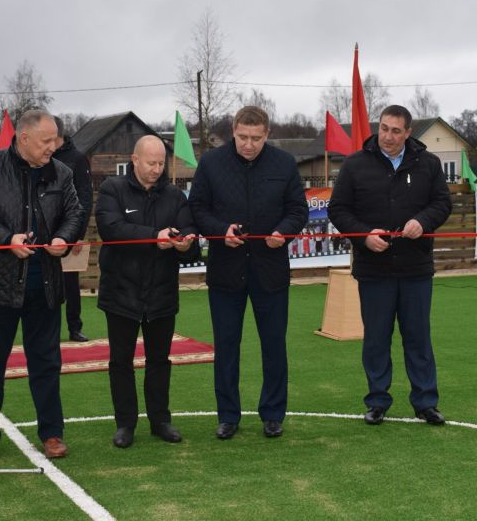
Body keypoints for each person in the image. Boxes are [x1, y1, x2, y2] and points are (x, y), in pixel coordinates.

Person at [0, 109, 85, 463]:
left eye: (55, 139)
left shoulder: (61, 172)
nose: (53, 146)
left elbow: (75, 213)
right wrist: (5, 239)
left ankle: (52, 433)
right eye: (46, 141)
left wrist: (64, 237)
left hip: (45, 285)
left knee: (46, 363)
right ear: (24, 138)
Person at [189, 106, 309, 440]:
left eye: (256, 138)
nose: (249, 144)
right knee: (226, 346)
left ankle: (273, 414)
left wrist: (284, 231)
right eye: (243, 137)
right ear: (233, 131)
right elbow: (197, 208)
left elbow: (298, 209)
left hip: (270, 271)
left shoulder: (284, 164)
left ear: (267, 134)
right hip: (225, 272)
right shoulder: (211, 163)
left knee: (274, 345)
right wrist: (220, 231)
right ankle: (228, 416)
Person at [328, 105, 452, 427]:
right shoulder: (355, 164)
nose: (388, 136)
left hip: (415, 269)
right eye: (384, 128)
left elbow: (442, 203)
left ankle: (426, 402)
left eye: (396, 131)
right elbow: (338, 210)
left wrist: (422, 221)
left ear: (408, 133)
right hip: (374, 270)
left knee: (418, 339)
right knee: (376, 340)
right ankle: (377, 401)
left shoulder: (428, 163)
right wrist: (363, 236)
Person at [95, 135, 200, 449]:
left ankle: (160, 420)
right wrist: (155, 236)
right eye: (151, 163)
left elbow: (189, 232)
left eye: (161, 163)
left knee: (159, 360)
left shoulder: (175, 195)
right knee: (121, 362)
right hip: (120, 291)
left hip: (162, 291)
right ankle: (125, 424)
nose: (156, 169)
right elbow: (112, 229)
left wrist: (185, 243)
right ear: (135, 160)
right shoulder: (112, 189)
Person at [53, 116, 94, 342]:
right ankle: (49, 330)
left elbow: (85, 198)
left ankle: (74, 327)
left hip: (70, 232)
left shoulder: (77, 159)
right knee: (47, 285)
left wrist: (78, 234)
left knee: (70, 284)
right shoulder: (42, 157)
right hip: (45, 233)